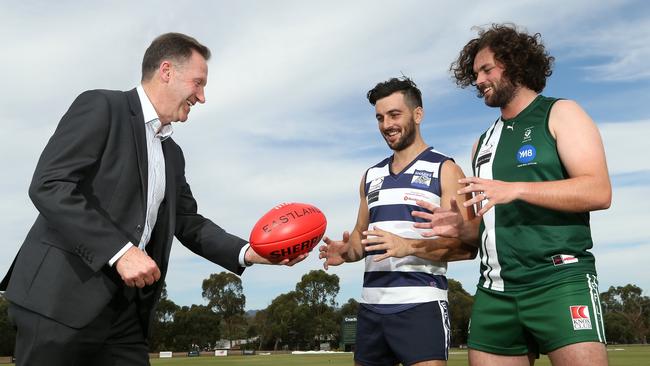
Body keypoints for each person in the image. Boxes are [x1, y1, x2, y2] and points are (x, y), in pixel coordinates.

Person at [0, 32, 304, 366]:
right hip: (58, 303)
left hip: (126, 313)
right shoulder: (103, 106)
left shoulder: (172, 154)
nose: (202, 97)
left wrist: (251, 252)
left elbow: (189, 222)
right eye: (198, 83)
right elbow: (50, 183)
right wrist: (120, 252)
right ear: (166, 71)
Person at [413, 24, 612, 366]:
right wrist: (459, 227)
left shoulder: (561, 113)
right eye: (474, 74)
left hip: (560, 280)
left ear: (516, 65)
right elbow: (489, 225)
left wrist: (517, 188)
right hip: (496, 291)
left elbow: (599, 190)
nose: (478, 81)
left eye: (486, 69)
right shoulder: (482, 142)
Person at [319, 77, 477, 366]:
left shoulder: (446, 169)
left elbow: (468, 247)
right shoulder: (371, 176)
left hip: (421, 305)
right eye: (380, 117)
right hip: (371, 307)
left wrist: (408, 246)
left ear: (418, 115)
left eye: (394, 114)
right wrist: (344, 252)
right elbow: (360, 238)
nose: (386, 124)